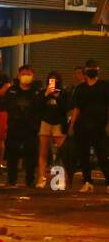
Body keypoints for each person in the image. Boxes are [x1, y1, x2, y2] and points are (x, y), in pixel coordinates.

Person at [69, 58, 109, 192]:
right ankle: (87, 182)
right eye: (90, 67)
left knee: (103, 156)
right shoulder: (80, 88)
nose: (92, 69)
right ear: (85, 70)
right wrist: (71, 125)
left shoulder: (105, 86)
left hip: (100, 126)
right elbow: (77, 108)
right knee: (83, 156)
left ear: (98, 70)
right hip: (83, 127)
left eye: (94, 67)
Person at [2, 65, 41, 188]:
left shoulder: (37, 92)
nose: (26, 76)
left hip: (31, 127)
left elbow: (39, 109)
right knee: (12, 154)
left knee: (31, 155)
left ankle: (30, 180)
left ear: (33, 76)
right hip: (14, 126)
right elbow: (7, 106)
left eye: (28, 74)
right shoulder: (11, 91)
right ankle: (11, 179)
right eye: (23, 73)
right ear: (18, 76)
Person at [36, 71, 66, 189]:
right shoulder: (44, 92)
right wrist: (47, 95)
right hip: (45, 122)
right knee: (43, 151)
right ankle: (41, 177)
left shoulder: (63, 93)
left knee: (60, 152)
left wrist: (57, 98)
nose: (53, 82)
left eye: (55, 80)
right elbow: (38, 106)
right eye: (51, 79)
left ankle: (60, 179)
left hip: (58, 124)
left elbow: (65, 108)